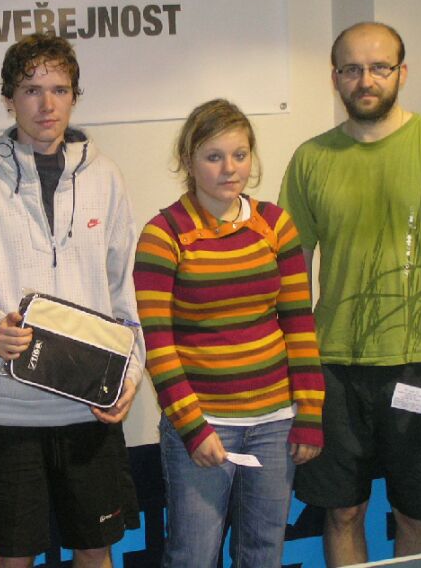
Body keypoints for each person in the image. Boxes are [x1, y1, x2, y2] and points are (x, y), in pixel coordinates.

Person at [279, 22, 421, 566]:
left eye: (379, 67)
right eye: (351, 69)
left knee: (417, 514)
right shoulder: (311, 159)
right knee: (342, 512)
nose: (365, 80)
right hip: (333, 369)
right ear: (335, 78)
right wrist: (298, 364)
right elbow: (292, 270)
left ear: (402, 72)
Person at [0, 32, 144, 568]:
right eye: (31, 90)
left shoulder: (105, 177)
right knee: (13, 558)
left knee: (95, 550)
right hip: (6, 411)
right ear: (8, 99)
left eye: (60, 90)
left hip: (89, 406)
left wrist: (130, 375)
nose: (47, 104)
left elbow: (125, 291)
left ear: (74, 97)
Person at [133, 98, 325, 568]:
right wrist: (192, 427)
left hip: (275, 423)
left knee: (263, 554)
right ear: (188, 161)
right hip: (204, 425)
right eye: (214, 157)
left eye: (240, 155)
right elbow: (158, 344)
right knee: (193, 556)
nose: (229, 168)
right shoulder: (163, 234)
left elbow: (299, 323)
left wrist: (310, 412)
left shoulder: (275, 224)